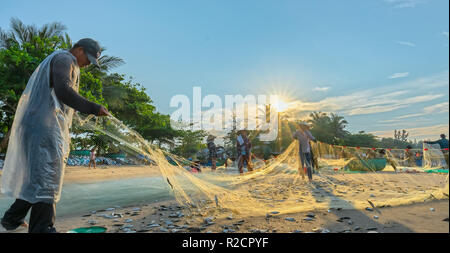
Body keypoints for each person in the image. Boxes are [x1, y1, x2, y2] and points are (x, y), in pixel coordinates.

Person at [0, 38, 110, 233]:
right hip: (43, 127)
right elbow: (63, 90)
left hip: (36, 125)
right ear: (78, 49)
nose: (87, 64)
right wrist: (93, 108)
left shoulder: (60, 59)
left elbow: (58, 94)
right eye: (88, 58)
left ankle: (11, 219)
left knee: (36, 177)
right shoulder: (65, 60)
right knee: (48, 176)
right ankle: (42, 228)